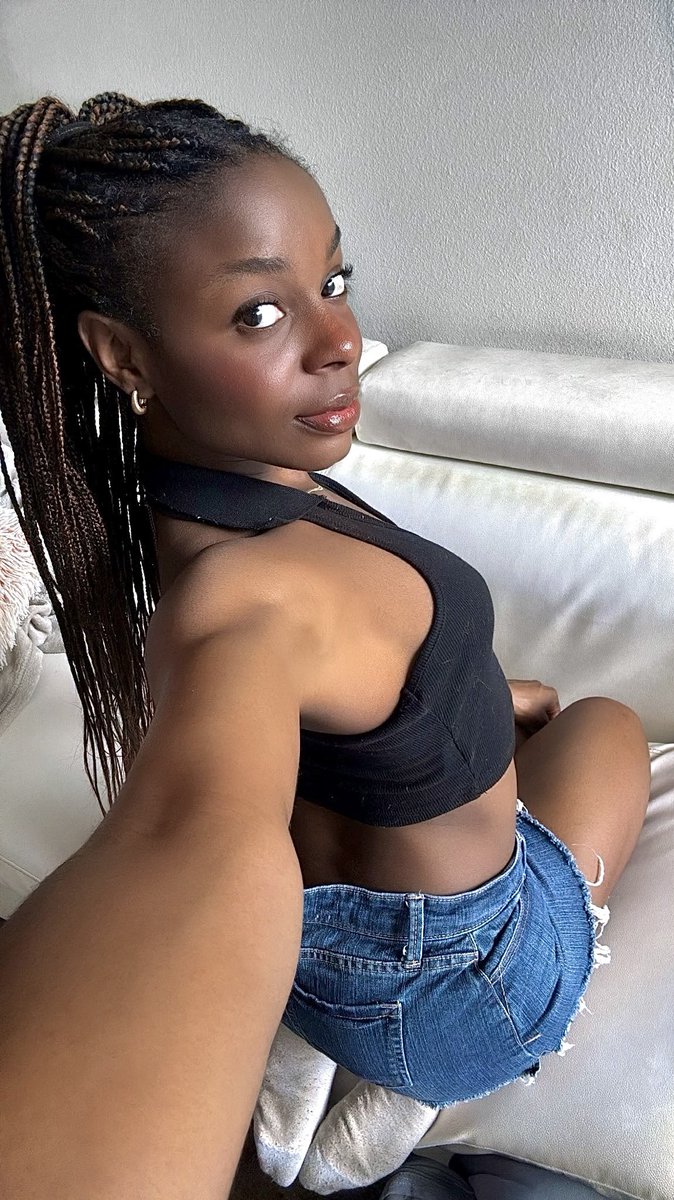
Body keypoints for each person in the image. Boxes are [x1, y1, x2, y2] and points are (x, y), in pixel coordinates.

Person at [0, 92, 651, 1199]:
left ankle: (310, 1039)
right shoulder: (248, 603)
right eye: (259, 313)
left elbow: (328, 681)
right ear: (121, 353)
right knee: (608, 728)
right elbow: (190, 836)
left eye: (332, 282)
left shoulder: (192, 492)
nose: (342, 340)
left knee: (547, 711)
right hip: (455, 992)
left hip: (333, 944)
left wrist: (468, 700)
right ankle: (409, 1091)